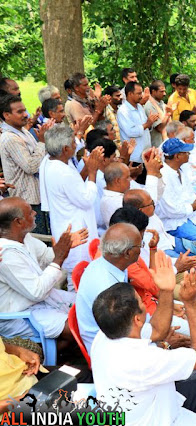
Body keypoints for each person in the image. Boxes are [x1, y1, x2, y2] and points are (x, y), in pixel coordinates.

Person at [91, 255, 196, 426]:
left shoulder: (106, 334)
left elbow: (158, 331)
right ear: (137, 320)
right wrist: (190, 302)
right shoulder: (145, 359)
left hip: (148, 409)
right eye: (141, 302)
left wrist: (166, 290)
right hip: (158, 421)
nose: (145, 303)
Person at [0, 197, 84, 343]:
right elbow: (37, 292)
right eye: (30, 212)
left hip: (39, 302)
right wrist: (59, 258)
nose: (35, 213)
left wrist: (64, 247)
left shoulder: (24, 237)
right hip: (18, 316)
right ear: (18, 222)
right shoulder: (6, 255)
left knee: (86, 304)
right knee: (77, 327)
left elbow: (46, 256)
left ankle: (62, 349)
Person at [39, 124, 100, 283]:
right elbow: (86, 199)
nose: (76, 145)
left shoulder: (48, 161)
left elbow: (74, 188)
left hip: (64, 224)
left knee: (79, 276)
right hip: (76, 231)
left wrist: (86, 169)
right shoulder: (63, 171)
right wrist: (92, 172)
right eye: (74, 143)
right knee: (79, 278)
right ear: (65, 149)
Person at [0, 95, 49, 234]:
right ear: (6, 115)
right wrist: (42, 142)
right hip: (26, 201)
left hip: (35, 198)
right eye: (20, 112)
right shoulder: (10, 138)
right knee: (38, 240)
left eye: (25, 110)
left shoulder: (23, 132)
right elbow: (31, 167)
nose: (26, 114)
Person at [123, 189, 196, 270]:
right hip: (162, 251)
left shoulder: (151, 215)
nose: (154, 205)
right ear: (141, 210)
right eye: (151, 204)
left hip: (170, 241)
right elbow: (152, 262)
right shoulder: (138, 230)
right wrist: (178, 263)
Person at [118, 81, 159, 164]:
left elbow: (145, 126)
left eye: (141, 93)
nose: (141, 96)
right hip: (134, 157)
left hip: (145, 154)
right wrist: (147, 123)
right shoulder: (123, 110)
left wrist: (150, 123)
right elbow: (131, 131)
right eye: (139, 93)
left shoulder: (139, 107)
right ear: (130, 94)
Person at [145, 79, 172, 148]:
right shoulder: (149, 106)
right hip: (157, 145)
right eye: (161, 91)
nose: (164, 94)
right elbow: (160, 128)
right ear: (153, 92)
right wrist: (168, 114)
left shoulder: (162, 104)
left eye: (164, 91)